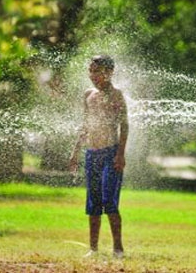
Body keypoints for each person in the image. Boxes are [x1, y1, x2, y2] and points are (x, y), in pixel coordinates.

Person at [69, 55, 128, 259]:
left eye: (97, 71)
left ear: (109, 72)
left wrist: (120, 154)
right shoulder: (88, 95)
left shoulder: (116, 95)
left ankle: (118, 248)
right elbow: (85, 126)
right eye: (91, 71)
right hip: (91, 154)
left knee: (109, 200)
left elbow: (124, 125)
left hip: (110, 154)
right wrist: (75, 152)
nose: (93, 75)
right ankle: (93, 249)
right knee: (93, 202)